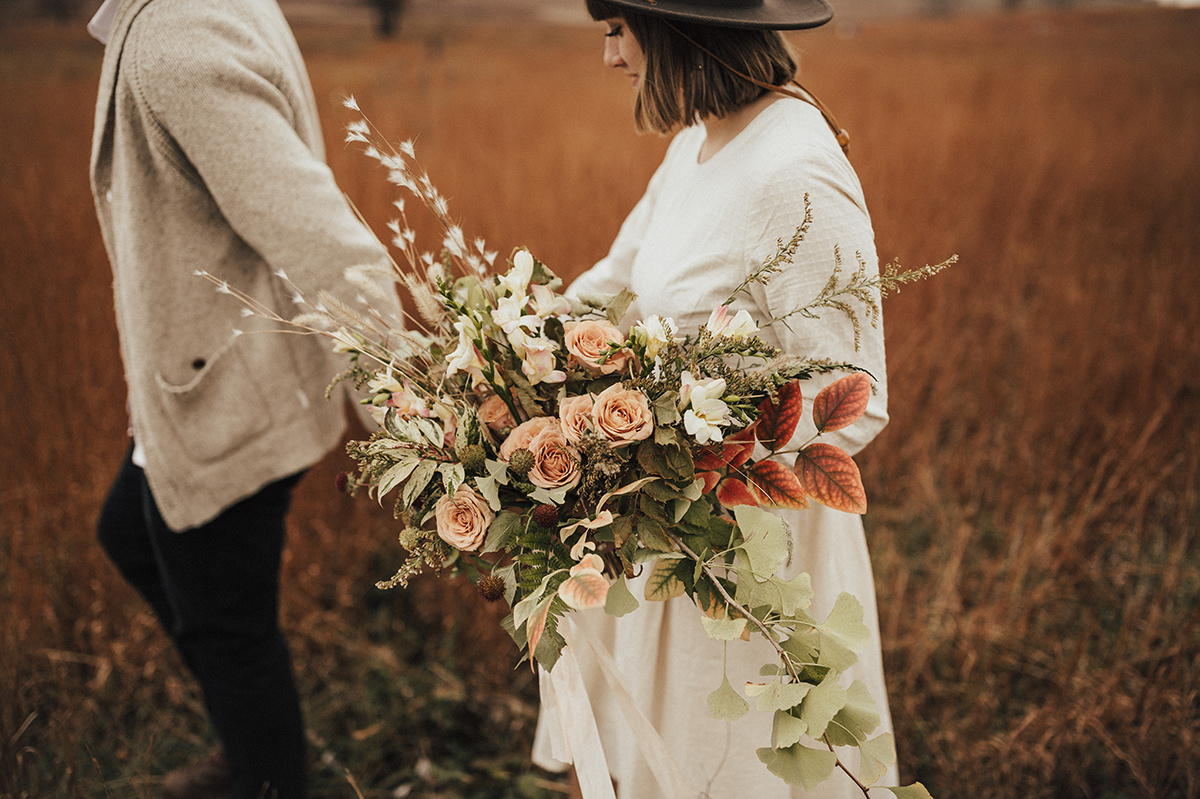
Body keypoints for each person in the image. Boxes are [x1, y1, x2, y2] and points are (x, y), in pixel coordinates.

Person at [533, 2, 895, 797]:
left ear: (678, 29)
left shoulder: (794, 173)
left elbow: (854, 398)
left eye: (617, 28)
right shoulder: (697, 137)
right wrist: (518, 347)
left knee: (720, 766)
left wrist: (682, 463)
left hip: (741, 562)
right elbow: (622, 280)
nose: (608, 56)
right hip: (661, 537)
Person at [87, 0, 395, 796]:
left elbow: (323, 239)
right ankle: (250, 740)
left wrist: (403, 411)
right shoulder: (212, 7)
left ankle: (263, 772)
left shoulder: (175, 40)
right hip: (217, 380)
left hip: (227, 402)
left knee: (232, 633)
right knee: (130, 531)